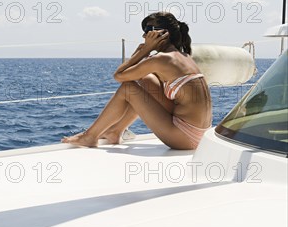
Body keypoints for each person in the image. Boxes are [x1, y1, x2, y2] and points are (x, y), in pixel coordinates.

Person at [62, 12, 212, 149]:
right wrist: (142, 52)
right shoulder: (182, 56)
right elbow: (136, 74)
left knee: (128, 88)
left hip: (185, 137)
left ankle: (90, 136)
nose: (143, 35)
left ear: (162, 34)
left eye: (148, 29)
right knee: (146, 80)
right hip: (200, 135)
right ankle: (116, 131)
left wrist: (145, 50)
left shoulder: (162, 59)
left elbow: (119, 76)